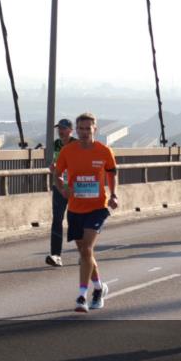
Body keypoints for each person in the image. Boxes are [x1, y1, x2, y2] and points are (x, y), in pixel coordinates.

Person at [54, 113, 119, 313]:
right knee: (84, 252)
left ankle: (82, 296)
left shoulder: (104, 151)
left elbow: (112, 173)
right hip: (75, 208)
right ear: (77, 130)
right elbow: (57, 173)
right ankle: (100, 287)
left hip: (98, 207)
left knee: (87, 249)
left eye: (87, 129)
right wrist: (62, 188)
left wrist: (114, 195)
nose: (84, 132)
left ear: (94, 130)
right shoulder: (67, 151)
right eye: (80, 129)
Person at [45, 119, 76, 267]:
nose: (60, 131)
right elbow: (53, 162)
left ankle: (85, 253)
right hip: (58, 186)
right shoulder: (56, 144)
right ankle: (56, 255)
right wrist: (53, 167)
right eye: (59, 128)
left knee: (76, 220)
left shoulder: (77, 145)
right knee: (57, 220)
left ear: (71, 130)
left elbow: (81, 164)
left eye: (64, 128)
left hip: (75, 188)